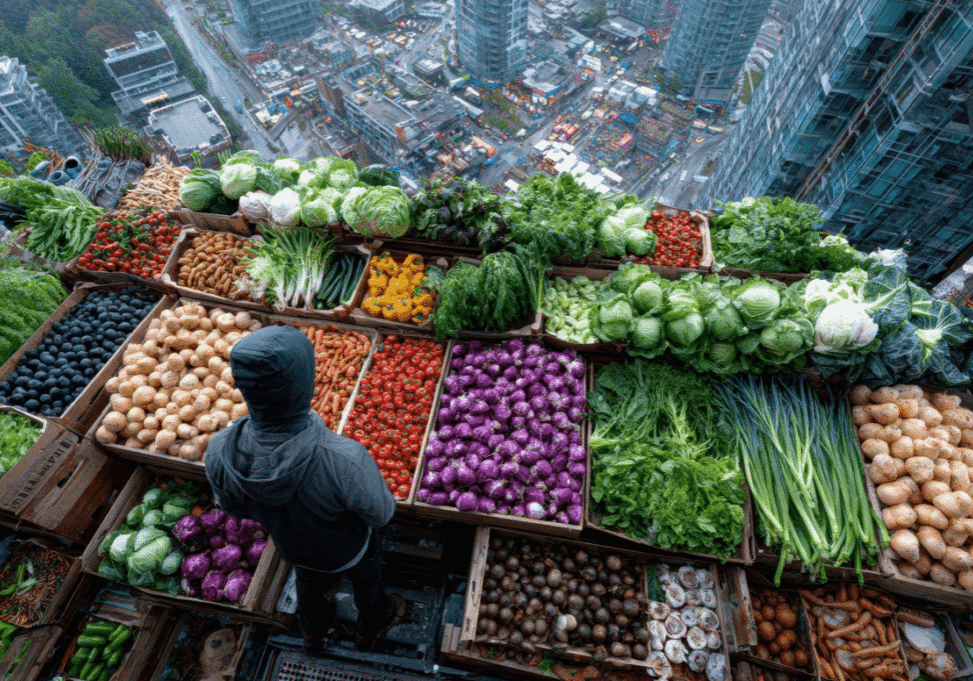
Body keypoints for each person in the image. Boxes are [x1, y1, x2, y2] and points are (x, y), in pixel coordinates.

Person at [205, 325, 404, 652]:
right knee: (367, 583)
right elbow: (381, 515)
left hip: (293, 548)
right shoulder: (344, 459)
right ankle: (368, 629)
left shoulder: (220, 450)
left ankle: (311, 633)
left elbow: (233, 509)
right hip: (349, 550)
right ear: (307, 383)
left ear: (243, 387)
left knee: (309, 583)